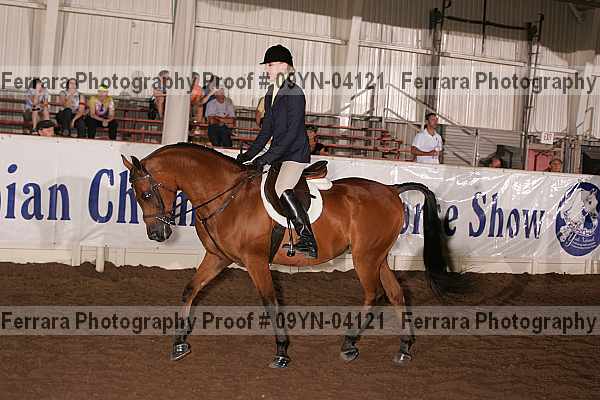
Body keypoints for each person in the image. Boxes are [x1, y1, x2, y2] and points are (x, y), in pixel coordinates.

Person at [236, 44, 317, 259]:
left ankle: (307, 238)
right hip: (279, 153)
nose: (267, 69)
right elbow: (267, 130)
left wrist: (267, 157)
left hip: (294, 154)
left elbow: (292, 132)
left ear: (283, 66)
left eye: (270, 65)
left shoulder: (295, 92)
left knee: (281, 187)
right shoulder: (271, 92)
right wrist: (249, 155)